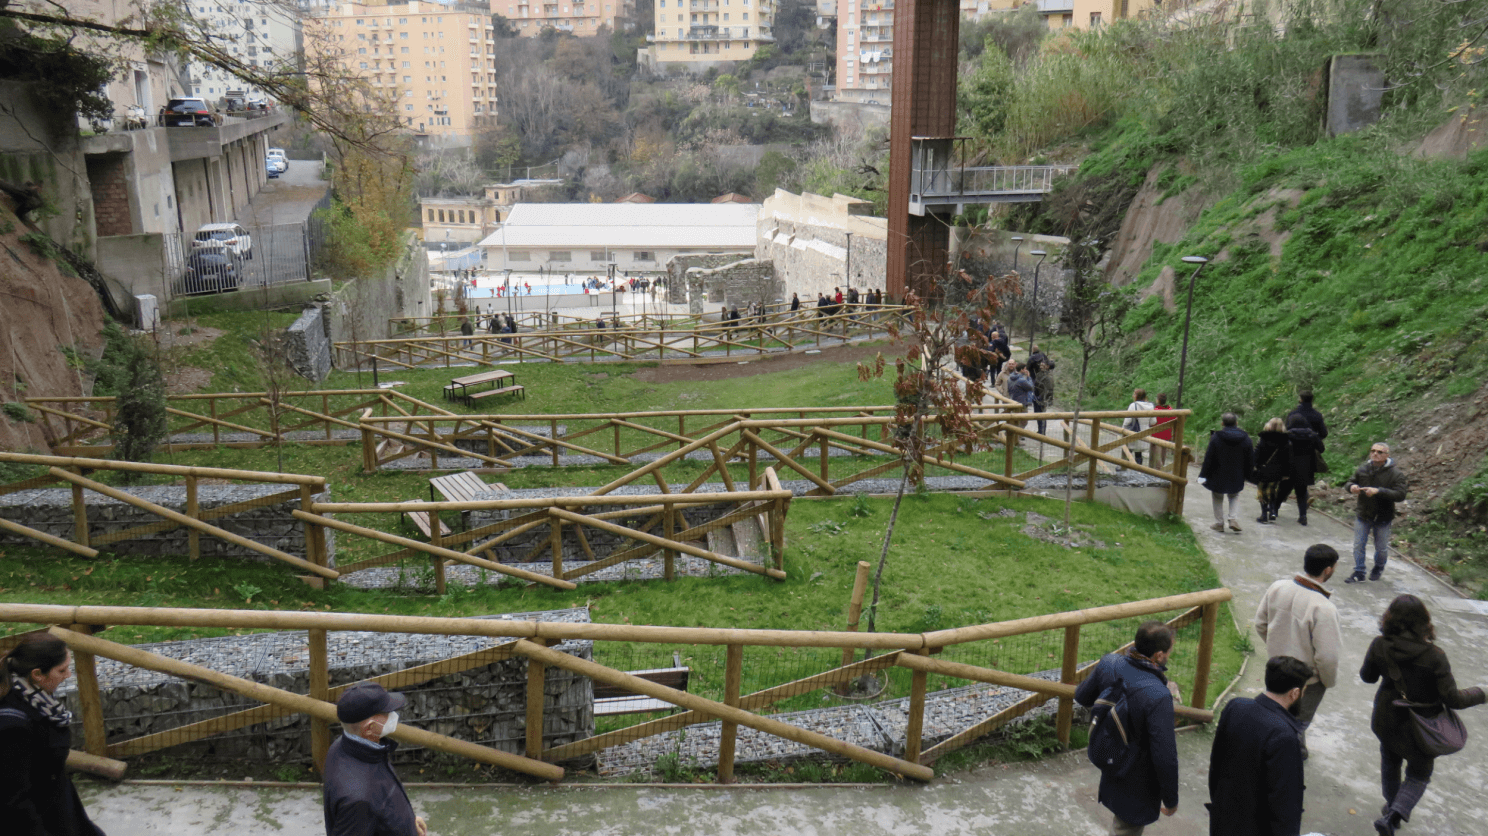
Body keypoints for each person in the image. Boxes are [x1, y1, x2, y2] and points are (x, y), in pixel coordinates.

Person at [1360, 595, 1485, 835]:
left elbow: (1368, 677)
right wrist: (1482, 693)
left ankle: (1391, 810)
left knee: (1390, 762)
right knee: (1418, 775)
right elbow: (1454, 699)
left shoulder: (1379, 644)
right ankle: (1394, 815)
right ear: (1424, 622)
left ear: (1389, 618)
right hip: (1424, 727)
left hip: (1387, 718)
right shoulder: (1435, 656)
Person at [1075, 621, 1182, 836]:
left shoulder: (1110, 663)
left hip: (1111, 754)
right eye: (1169, 651)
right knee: (1126, 829)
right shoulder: (1158, 696)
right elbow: (1165, 755)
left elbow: (1082, 696)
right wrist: (1170, 798)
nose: (1170, 655)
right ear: (1159, 655)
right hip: (1137, 778)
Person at [0, 634, 105, 836]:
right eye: (62, 670)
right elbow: (14, 800)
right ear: (38, 674)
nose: (68, 675)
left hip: (60, 811)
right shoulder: (12, 726)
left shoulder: (34, 697)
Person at [1206, 656, 1311, 836]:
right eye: (1303, 691)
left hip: (1223, 819)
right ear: (1294, 693)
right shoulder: (1284, 736)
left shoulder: (1235, 707)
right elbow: (1284, 804)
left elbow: (1215, 765)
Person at [1253, 544, 1341, 755]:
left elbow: (1260, 623)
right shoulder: (1324, 608)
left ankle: (1293, 748)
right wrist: (1327, 681)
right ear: (1328, 570)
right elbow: (1328, 657)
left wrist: (1277, 647)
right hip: (1307, 680)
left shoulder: (1278, 587)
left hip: (1277, 667)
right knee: (1296, 723)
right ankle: (1284, 756)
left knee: (1275, 710)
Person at [323, 682, 427, 836]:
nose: (393, 715)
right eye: (387, 712)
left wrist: (407, 823)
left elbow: (382, 802)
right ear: (369, 728)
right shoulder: (359, 800)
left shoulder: (346, 747)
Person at [1345, 442, 1408, 583]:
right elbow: (1349, 482)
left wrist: (1379, 491)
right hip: (1363, 513)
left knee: (1381, 548)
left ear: (1387, 455)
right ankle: (1359, 571)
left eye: (1379, 452)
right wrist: (1352, 487)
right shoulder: (1363, 469)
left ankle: (1379, 567)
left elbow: (1401, 494)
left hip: (1383, 516)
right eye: (1373, 451)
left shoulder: (1396, 474)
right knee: (1358, 545)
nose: (1375, 454)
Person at [1199, 412, 1254, 533]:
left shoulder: (1216, 438)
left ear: (1222, 423)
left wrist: (1203, 476)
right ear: (1236, 423)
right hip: (1237, 473)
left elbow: (1209, 458)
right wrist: (1249, 475)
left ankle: (1219, 523)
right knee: (1234, 495)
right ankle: (1232, 518)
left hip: (1218, 473)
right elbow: (1250, 459)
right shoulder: (1246, 439)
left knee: (1217, 496)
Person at [1275, 413, 1323, 526]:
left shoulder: (1287, 435)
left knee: (1282, 490)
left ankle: (1274, 511)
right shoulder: (1312, 435)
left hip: (1289, 467)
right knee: (1301, 492)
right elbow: (1321, 448)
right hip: (1306, 468)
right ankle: (1303, 516)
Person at [1252, 417, 1291, 524]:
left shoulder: (1263, 438)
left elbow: (1256, 454)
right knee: (1272, 489)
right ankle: (1273, 511)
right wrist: (1286, 473)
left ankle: (1264, 514)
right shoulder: (1285, 441)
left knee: (1262, 491)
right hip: (1278, 471)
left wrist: (1254, 465)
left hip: (1263, 469)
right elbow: (1288, 459)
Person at [1125, 388, 1156, 466]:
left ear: (1137, 396)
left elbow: (1127, 421)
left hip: (1133, 431)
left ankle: (1123, 467)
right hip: (1145, 432)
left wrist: (1123, 429)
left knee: (1127, 450)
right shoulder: (1150, 406)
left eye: (1134, 394)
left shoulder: (1133, 405)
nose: (1133, 395)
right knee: (1138, 453)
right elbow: (1153, 421)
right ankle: (1138, 470)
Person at [1151, 393, 1176, 470]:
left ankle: (1159, 471)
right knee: (1163, 456)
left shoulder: (1155, 410)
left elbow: (1151, 422)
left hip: (1156, 436)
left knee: (1156, 457)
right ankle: (1161, 471)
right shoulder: (1171, 410)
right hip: (1167, 436)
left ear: (1158, 400)